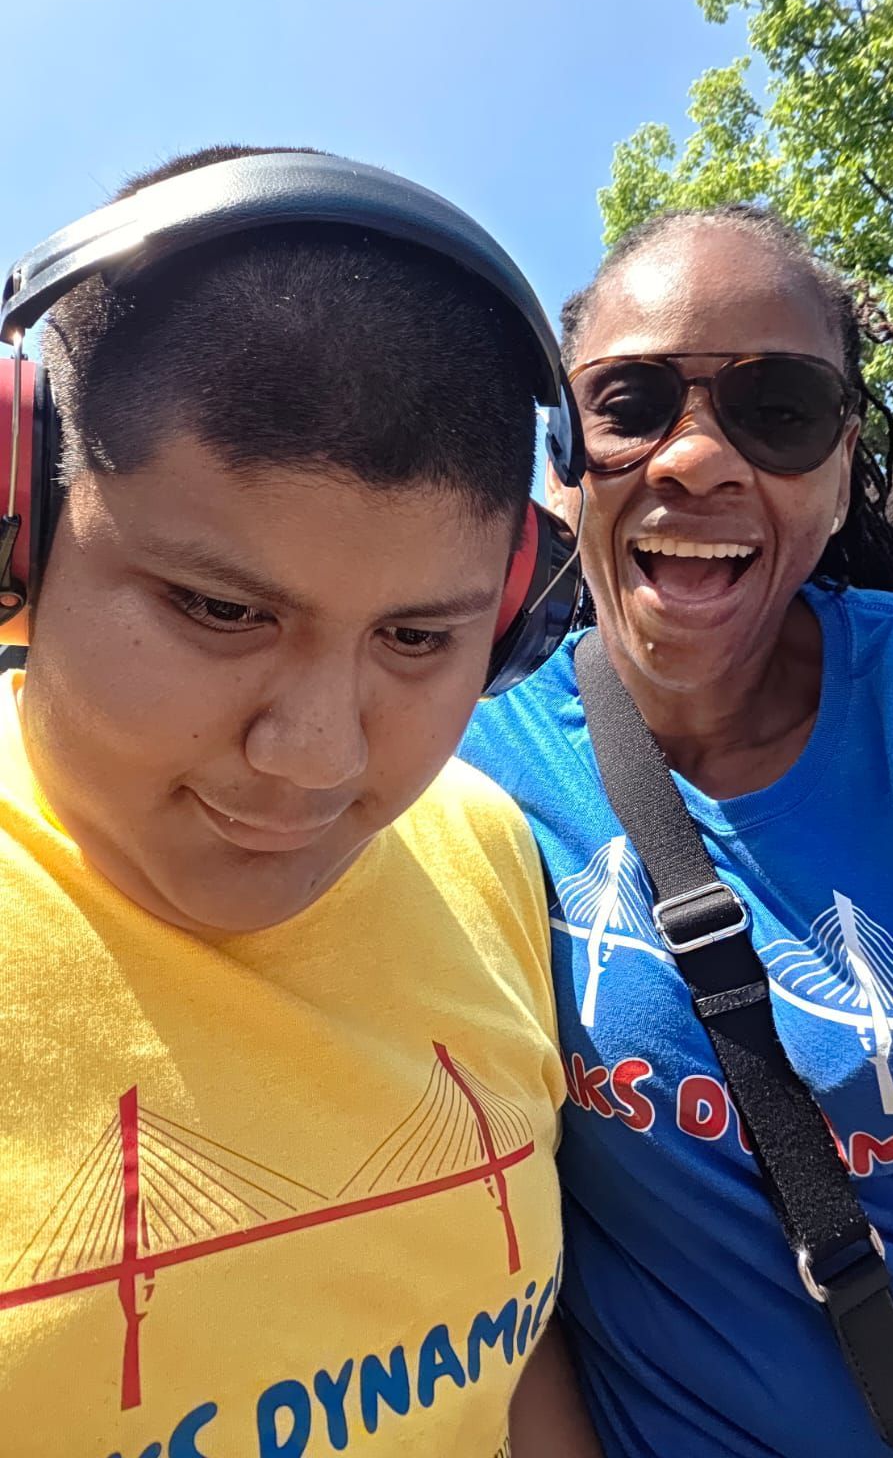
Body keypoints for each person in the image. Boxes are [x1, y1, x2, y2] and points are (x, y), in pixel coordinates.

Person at [0, 146, 602, 1457]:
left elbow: (515, 1341)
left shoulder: (484, 845)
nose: (317, 759)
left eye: (418, 639)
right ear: (21, 529)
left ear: (508, 613)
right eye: (221, 609)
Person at [462, 204, 893, 1458]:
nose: (696, 459)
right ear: (563, 459)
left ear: (841, 468)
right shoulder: (461, 778)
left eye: (778, 408)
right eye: (632, 403)